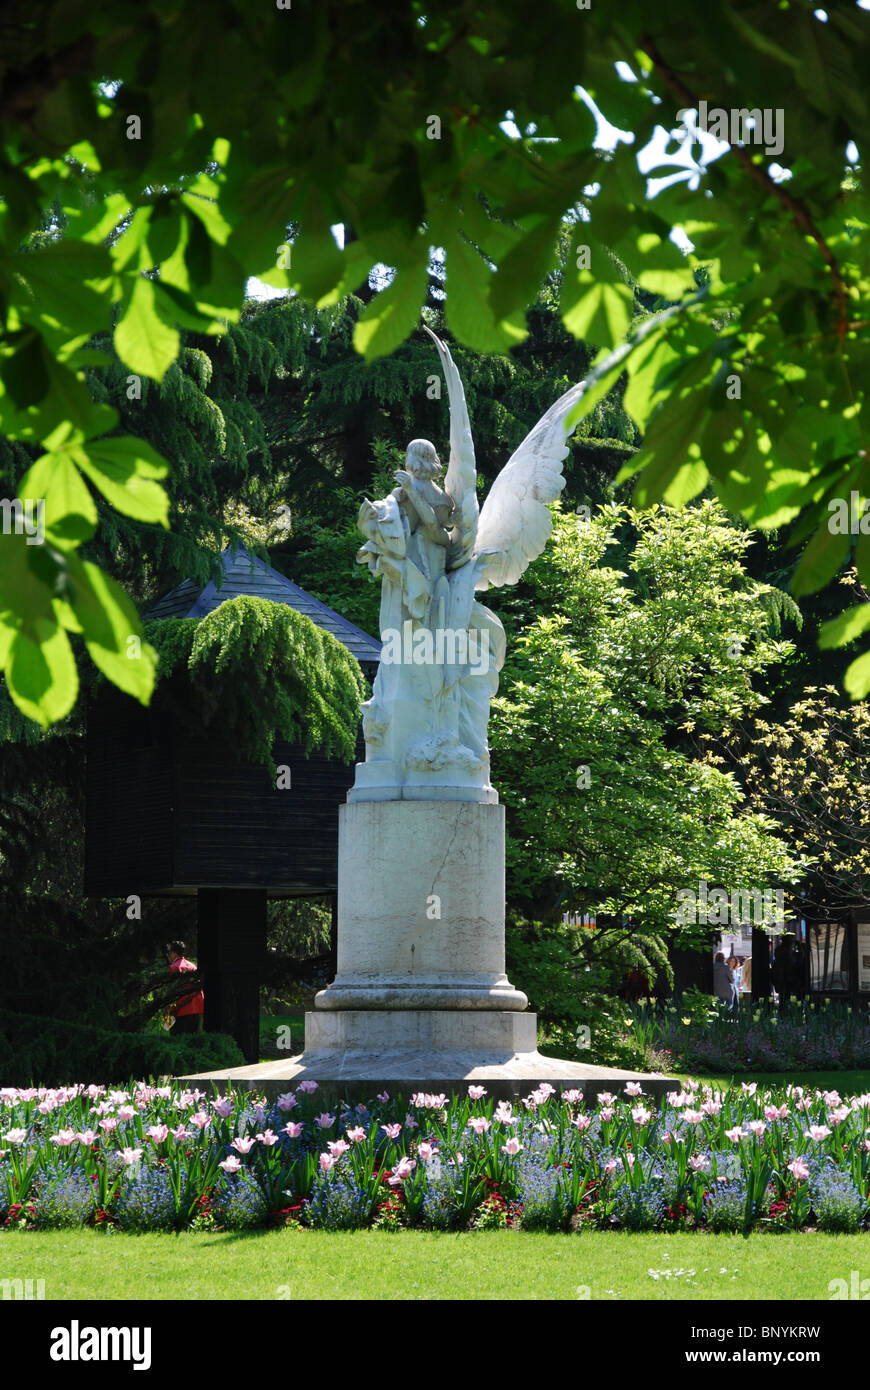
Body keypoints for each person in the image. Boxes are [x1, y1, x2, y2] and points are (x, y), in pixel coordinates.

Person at [165, 940, 204, 1034]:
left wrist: (168, 1011)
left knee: (177, 1038)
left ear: (174, 953)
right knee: (193, 1039)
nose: (167, 955)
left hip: (181, 1010)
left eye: (169, 952)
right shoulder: (192, 966)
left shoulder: (174, 968)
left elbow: (172, 991)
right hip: (196, 1008)